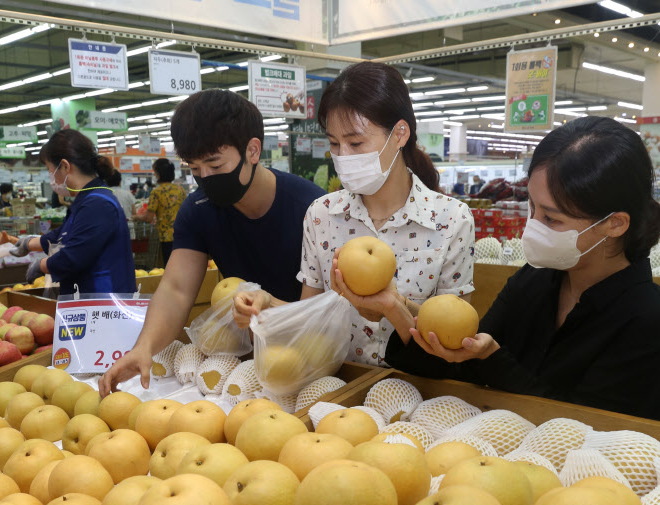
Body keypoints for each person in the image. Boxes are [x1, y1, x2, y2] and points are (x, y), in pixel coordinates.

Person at [384, 116, 660, 420]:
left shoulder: (647, 320)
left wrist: (492, 359)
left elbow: (589, 427)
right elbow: (460, 367)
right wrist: (396, 308)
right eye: (532, 208)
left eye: (551, 218)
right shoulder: (533, 281)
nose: (532, 227)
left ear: (614, 224)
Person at [234, 61, 475, 366]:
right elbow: (311, 318)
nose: (343, 156)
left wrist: (394, 307)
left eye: (356, 142)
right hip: (336, 386)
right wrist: (267, 306)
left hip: (419, 390)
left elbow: (455, 340)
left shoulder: (452, 221)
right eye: (334, 143)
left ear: (399, 134)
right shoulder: (321, 215)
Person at [99, 89, 324, 395]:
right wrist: (144, 347)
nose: (204, 177)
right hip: (243, 357)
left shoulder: (312, 209)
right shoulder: (198, 211)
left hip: (311, 355)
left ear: (253, 151)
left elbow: (324, 313)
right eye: (194, 169)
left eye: (216, 166)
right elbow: (176, 290)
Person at [9, 129, 136, 295]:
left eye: (50, 169)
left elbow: (73, 256)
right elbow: (64, 235)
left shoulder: (98, 204)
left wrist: (41, 265)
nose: (50, 177)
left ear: (65, 166)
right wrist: (28, 243)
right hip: (90, 298)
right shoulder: (88, 199)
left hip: (104, 302)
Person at [135, 158, 186, 265]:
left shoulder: (157, 192)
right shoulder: (180, 190)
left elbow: (148, 218)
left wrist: (136, 217)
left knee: (170, 266)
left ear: (158, 174)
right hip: (182, 235)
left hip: (166, 238)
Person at [108, 169, 136, 239]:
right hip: (128, 227)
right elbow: (134, 213)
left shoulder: (106, 194)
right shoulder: (128, 194)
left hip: (111, 229)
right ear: (120, 182)